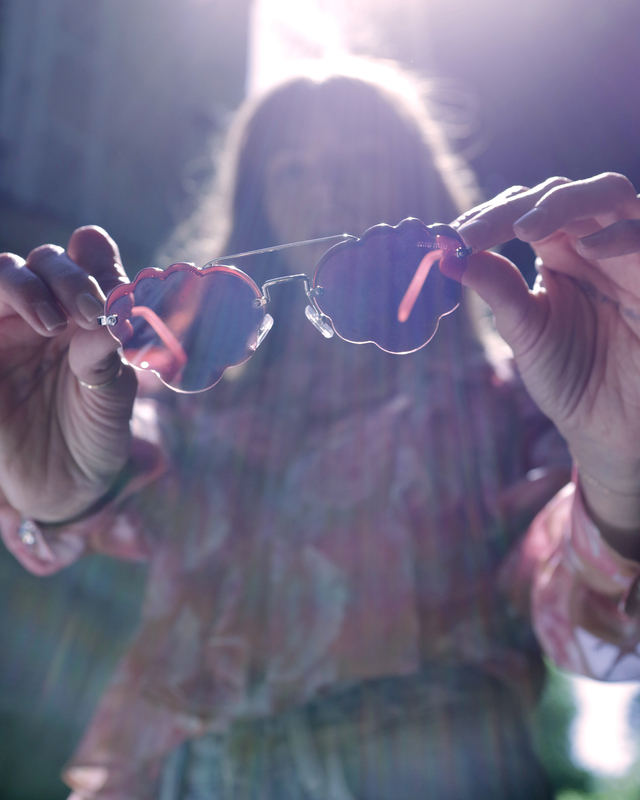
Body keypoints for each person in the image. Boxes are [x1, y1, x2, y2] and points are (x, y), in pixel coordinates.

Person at [0, 58, 639, 799]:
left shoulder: (523, 396)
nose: (328, 191)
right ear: (258, 206)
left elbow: (592, 634)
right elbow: (110, 477)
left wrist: (622, 469)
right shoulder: (182, 403)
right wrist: (55, 493)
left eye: (362, 160)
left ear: (423, 194)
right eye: (293, 170)